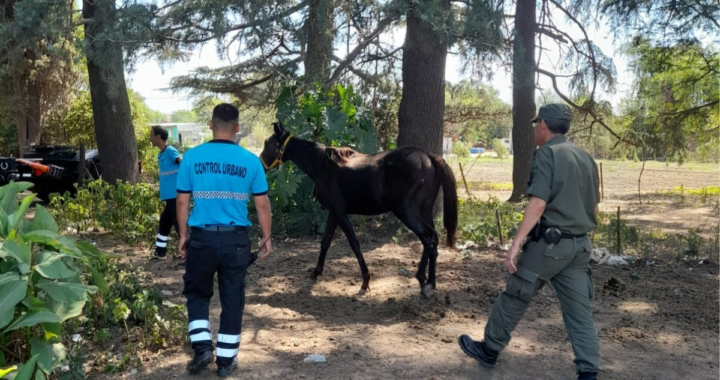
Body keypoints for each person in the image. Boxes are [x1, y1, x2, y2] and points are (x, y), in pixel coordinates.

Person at [457, 103, 602, 380]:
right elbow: (594, 208)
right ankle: (588, 372)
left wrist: (515, 244)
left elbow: (538, 202)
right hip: (580, 247)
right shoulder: (585, 157)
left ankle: (489, 349)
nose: (536, 128)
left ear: (544, 125)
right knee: (579, 312)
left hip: (548, 246)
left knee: (516, 293)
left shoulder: (546, 154)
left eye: (537, 124)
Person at [176, 103, 273, 378]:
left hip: (202, 239)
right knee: (232, 299)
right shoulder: (250, 161)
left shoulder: (192, 157)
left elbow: (182, 200)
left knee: (196, 294)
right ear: (237, 128)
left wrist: (183, 235)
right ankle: (226, 362)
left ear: (210, 124)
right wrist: (267, 236)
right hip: (236, 241)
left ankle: (202, 349)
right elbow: (262, 205)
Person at [150, 126, 182, 262]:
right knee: (165, 222)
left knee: (179, 225)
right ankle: (160, 252)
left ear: (158, 137)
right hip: (169, 196)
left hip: (175, 196)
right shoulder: (162, 153)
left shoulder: (170, 151)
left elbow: (183, 162)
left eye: (151, 135)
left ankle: (190, 255)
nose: (150, 138)